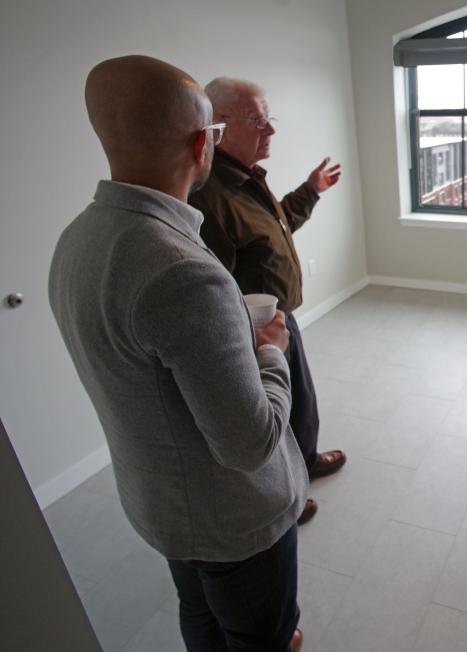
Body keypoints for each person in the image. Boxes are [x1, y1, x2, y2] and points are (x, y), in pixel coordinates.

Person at [49, 56, 309, 651]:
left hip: (160, 502)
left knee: (198, 615)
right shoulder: (185, 272)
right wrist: (269, 352)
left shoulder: (77, 241)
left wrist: (222, 328)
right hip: (231, 519)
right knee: (256, 632)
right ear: (201, 145)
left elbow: (145, 356)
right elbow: (247, 443)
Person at [189, 77, 346, 526]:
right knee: (272, 415)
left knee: (300, 400)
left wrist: (310, 190)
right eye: (258, 120)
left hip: (278, 318)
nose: (270, 130)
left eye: (268, 118)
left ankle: (308, 459)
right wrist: (253, 338)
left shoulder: (246, 180)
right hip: (252, 331)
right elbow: (214, 283)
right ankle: (287, 497)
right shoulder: (209, 195)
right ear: (217, 125)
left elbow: (272, 233)